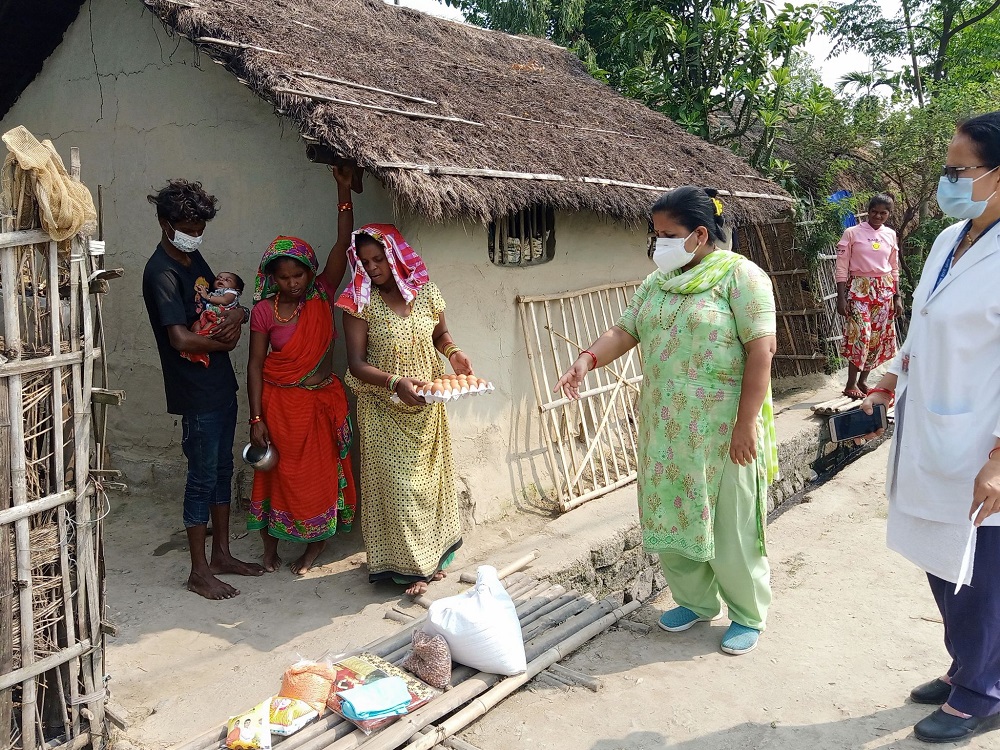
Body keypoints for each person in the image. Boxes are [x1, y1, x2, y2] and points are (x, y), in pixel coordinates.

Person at [555, 187, 778, 655]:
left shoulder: (742, 278)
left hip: (724, 431)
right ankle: (695, 602)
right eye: (655, 235)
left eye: (668, 235)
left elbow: (762, 351)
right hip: (665, 427)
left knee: (730, 526)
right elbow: (625, 330)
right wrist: (588, 359)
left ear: (700, 234)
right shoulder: (656, 284)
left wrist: (745, 425)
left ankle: (746, 613)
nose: (659, 245)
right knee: (673, 516)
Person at [860, 111, 1000, 744]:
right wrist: (892, 370)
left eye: (958, 169)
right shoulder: (950, 239)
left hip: (983, 440)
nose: (947, 180)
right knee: (940, 557)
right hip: (933, 424)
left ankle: (983, 689)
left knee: (983, 570)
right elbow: (923, 323)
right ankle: (967, 662)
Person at [142, 178, 264, 600]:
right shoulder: (161, 272)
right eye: (187, 228)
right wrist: (224, 342)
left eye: (199, 228)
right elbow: (179, 338)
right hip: (194, 389)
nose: (194, 235)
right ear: (164, 222)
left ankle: (222, 555)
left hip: (218, 383)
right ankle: (198, 571)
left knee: (222, 472)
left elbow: (224, 300)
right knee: (200, 477)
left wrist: (242, 312)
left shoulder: (194, 261)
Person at [338, 223, 471, 596]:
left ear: (395, 255)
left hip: (427, 405)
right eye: (365, 262)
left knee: (431, 485)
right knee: (398, 489)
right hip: (383, 407)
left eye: (379, 259)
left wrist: (454, 354)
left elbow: (440, 335)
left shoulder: (426, 292)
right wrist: (395, 382)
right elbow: (356, 363)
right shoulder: (358, 303)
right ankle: (407, 569)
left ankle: (432, 560)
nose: (373, 268)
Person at [247, 167, 358, 574]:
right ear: (271, 277)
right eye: (284, 276)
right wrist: (256, 417)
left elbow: (343, 242)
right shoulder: (263, 312)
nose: (292, 283)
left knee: (317, 478)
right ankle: (270, 549)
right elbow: (255, 366)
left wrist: (343, 191)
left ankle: (314, 546)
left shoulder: (322, 295)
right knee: (274, 478)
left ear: (311, 274)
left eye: (298, 274)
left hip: (318, 407)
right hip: (278, 407)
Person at [835, 193, 904, 399]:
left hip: (884, 289)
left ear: (889, 214)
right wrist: (841, 296)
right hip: (858, 288)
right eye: (874, 212)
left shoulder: (890, 234)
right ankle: (850, 383)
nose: (878, 216)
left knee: (876, 337)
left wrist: (897, 296)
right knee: (861, 335)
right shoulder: (852, 233)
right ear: (868, 211)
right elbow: (841, 267)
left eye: (883, 213)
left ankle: (863, 381)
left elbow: (894, 266)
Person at [182, 271, 245, 367]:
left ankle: (201, 339)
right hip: (208, 315)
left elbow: (225, 300)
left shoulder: (230, 292)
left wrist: (207, 297)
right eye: (218, 278)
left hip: (220, 317)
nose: (221, 279)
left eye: (227, 280)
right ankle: (197, 343)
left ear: (237, 289)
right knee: (196, 325)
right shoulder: (214, 292)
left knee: (210, 327)